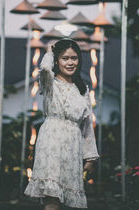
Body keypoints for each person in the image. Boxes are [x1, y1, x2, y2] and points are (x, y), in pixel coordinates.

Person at [24, 38, 99, 209]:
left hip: (73, 144)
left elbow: (87, 127)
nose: (70, 62)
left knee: (70, 196)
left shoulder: (82, 89)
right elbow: (44, 68)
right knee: (52, 197)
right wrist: (51, 52)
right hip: (51, 141)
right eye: (65, 58)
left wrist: (90, 157)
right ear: (57, 60)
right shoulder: (49, 82)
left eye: (74, 58)